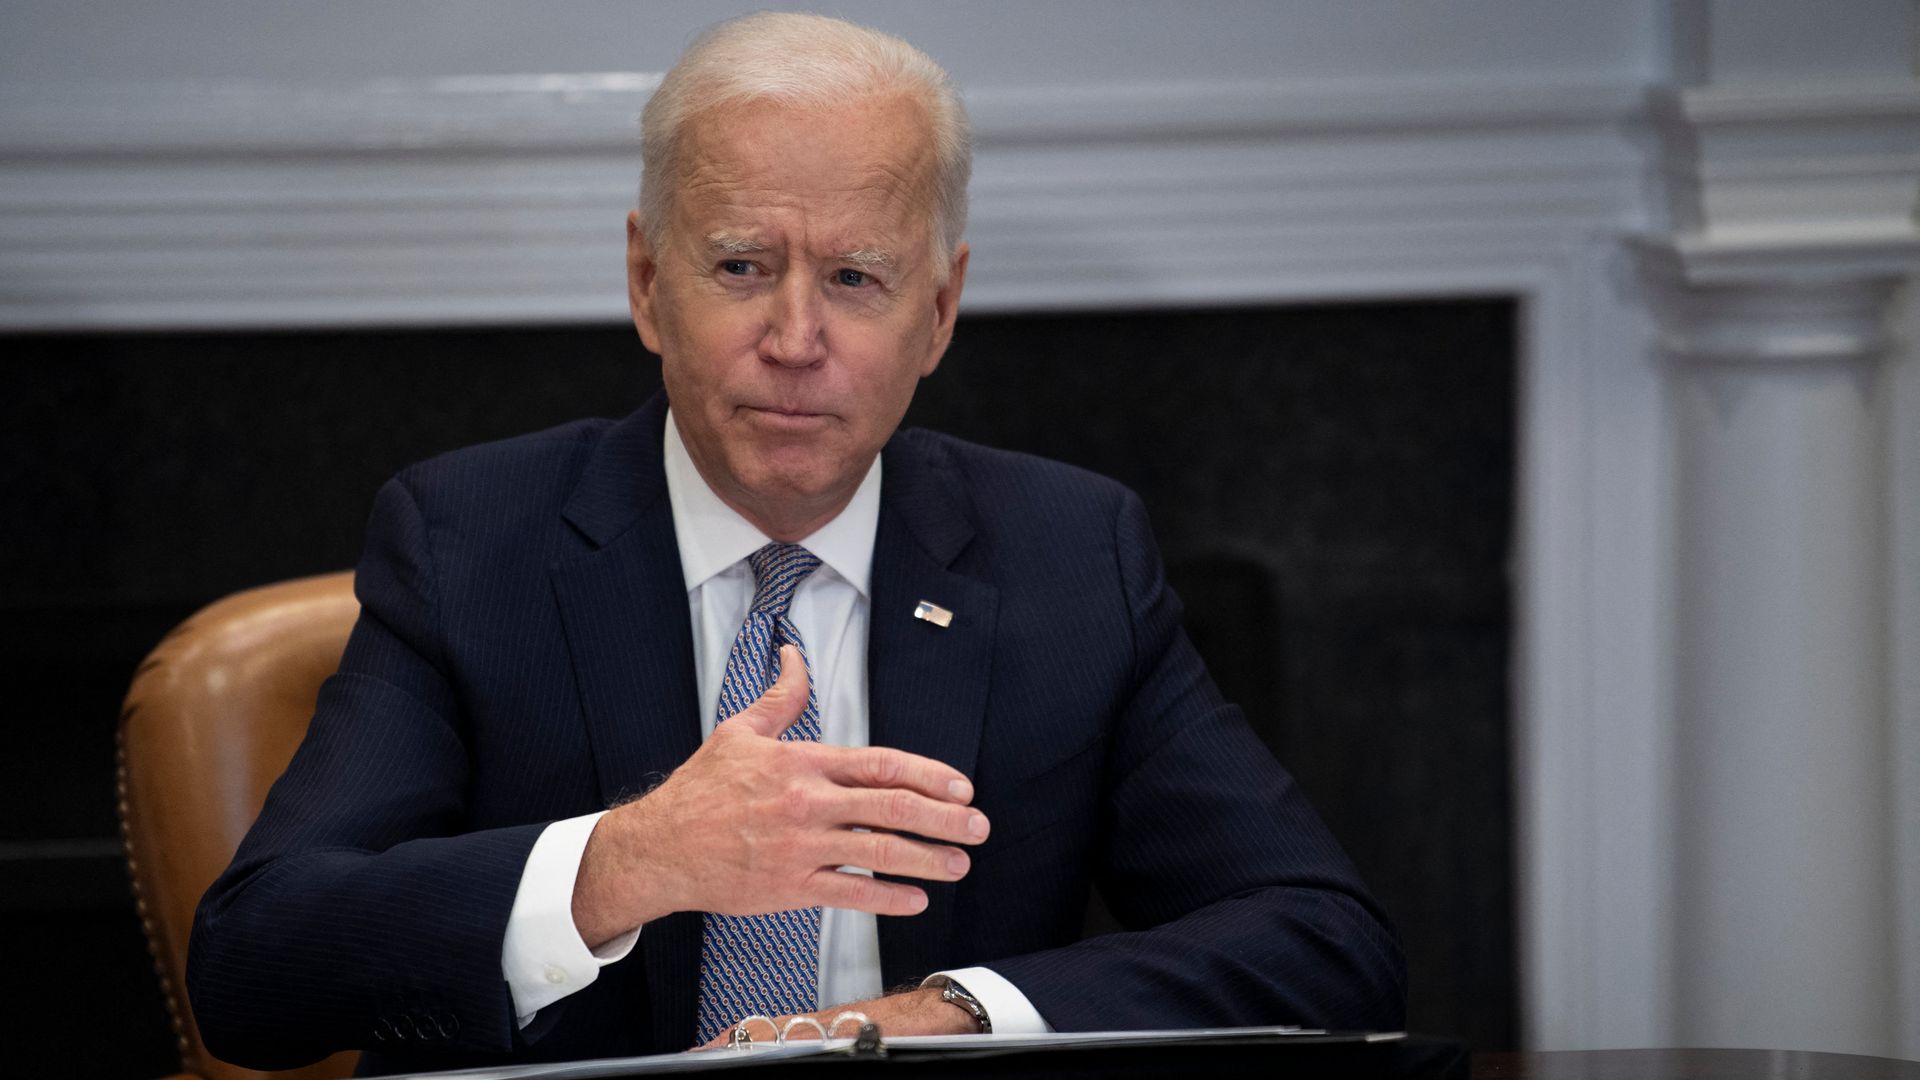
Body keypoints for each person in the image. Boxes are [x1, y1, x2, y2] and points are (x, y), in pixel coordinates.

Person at [187, 12, 1405, 1074]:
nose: (795, 336)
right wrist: (624, 863)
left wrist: (957, 1015)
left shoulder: (1070, 555)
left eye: (858, 278)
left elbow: (1323, 940)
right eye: (740, 265)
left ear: (938, 314)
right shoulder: (468, 541)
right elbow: (255, 967)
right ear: (647, 280)